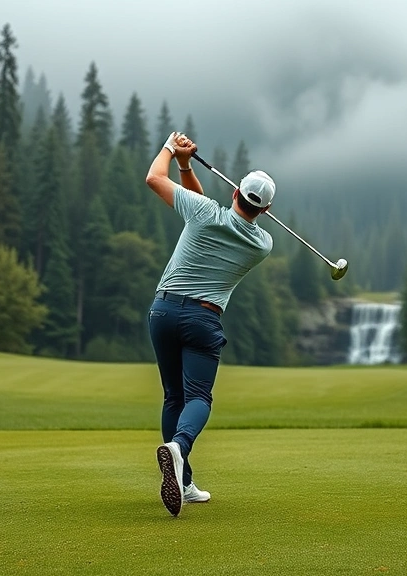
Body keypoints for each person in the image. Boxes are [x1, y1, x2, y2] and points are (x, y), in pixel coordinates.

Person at [144, 132, 275, 516]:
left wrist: (171, 149)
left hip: (163, 311)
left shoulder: (203, 213)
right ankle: (179, 449)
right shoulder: (262, 244)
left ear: (235, 194)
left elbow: (154, 178)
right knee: (199, 397)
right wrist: (187, 167)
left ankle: (182, 483)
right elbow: (202, 203)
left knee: (174, 396)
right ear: (264, 211)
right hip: (203, 318)